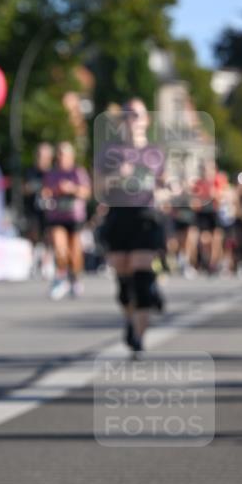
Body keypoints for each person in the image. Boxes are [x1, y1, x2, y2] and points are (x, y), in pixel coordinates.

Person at [96, 99, 166, 354]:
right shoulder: (109, 151)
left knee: (141, 276)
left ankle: (138, 335)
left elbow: (164, 184)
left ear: (146, 120)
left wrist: (169, 192)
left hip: (146, 216)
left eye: (136, 115)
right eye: (127, 115)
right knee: (124, 283)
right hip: (118, 215)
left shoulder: (155, 153)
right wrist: (118, 175)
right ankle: (130, 319)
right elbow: (99, 186)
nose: (132, 119)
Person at [41, 142, 91, 299]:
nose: (62, 158)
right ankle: (61, 277)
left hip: (74, 216)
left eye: (65, 154)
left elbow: (86, 193)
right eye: (59, 154)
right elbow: (45, 192)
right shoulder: (52, 174)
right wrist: (54, 191)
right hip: (57, 216)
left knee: (75, 252)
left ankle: (75, 277)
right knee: (59, 247)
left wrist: (72, 189)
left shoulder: (78, 172)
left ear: (71, 156)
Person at [23, 142, 53, 278]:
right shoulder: (30, 171)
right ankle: (34, 262)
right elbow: (25, 188)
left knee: (49, 235)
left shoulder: (53, 172)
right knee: (34, 234)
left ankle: (47, 263)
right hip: (34, 209)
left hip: (50, 210)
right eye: (40, 156)